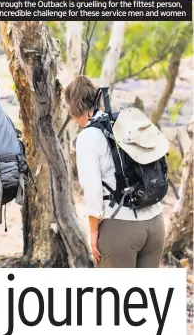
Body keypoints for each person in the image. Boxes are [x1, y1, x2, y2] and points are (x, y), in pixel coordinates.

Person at [65, 75, 165, 268]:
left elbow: (93, 190)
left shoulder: (88, 136)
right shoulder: (124, 124)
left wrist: (93, 232)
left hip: (120, 227)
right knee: (145, 296)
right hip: (155, 222)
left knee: (116, 297)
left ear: (74, 106)